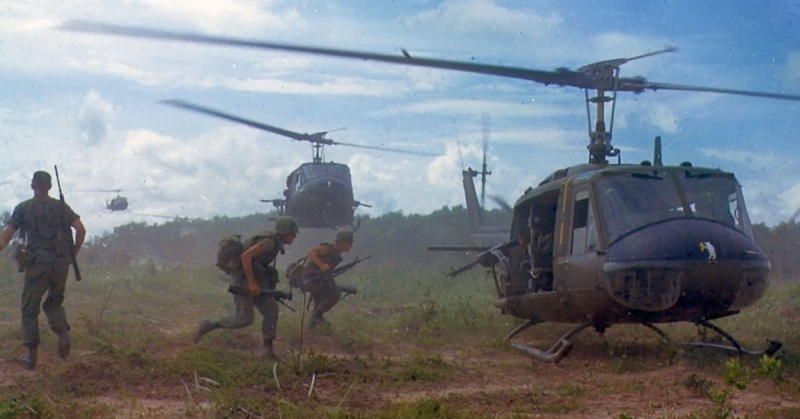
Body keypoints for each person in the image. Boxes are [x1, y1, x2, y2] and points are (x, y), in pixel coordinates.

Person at [0, 170, 86, 370]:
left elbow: (7, 235)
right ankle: (63, 334)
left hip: (37, 264)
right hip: (60, 264)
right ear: (49, 187)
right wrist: (73, 254)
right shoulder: (61, 207)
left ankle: (31, 357)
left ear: (32, 186)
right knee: (54, 303)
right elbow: (80, 229)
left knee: (29, 308)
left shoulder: (23, 208)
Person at [193, 216, 298, 361]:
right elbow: (246, 257)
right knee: (244, 319)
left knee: (271, 309)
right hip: (243, 278)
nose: (294, 237)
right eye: (292, 234)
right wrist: (253, 284)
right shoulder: (269, 242)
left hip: (255, 277)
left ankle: (267, 350)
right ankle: (208, 325)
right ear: (285, 233)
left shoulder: (273, 241)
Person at [299, 229, 354, 328]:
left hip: (317, 279)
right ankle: (317, 316)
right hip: (311, 279)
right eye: (349, 243)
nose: (351, 245)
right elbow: (310, 251)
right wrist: (321, 265)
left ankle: (312, 325)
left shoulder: (335, 252)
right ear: (342, 242)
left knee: (320, 299)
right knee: (335, 293)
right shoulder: (328, 248)